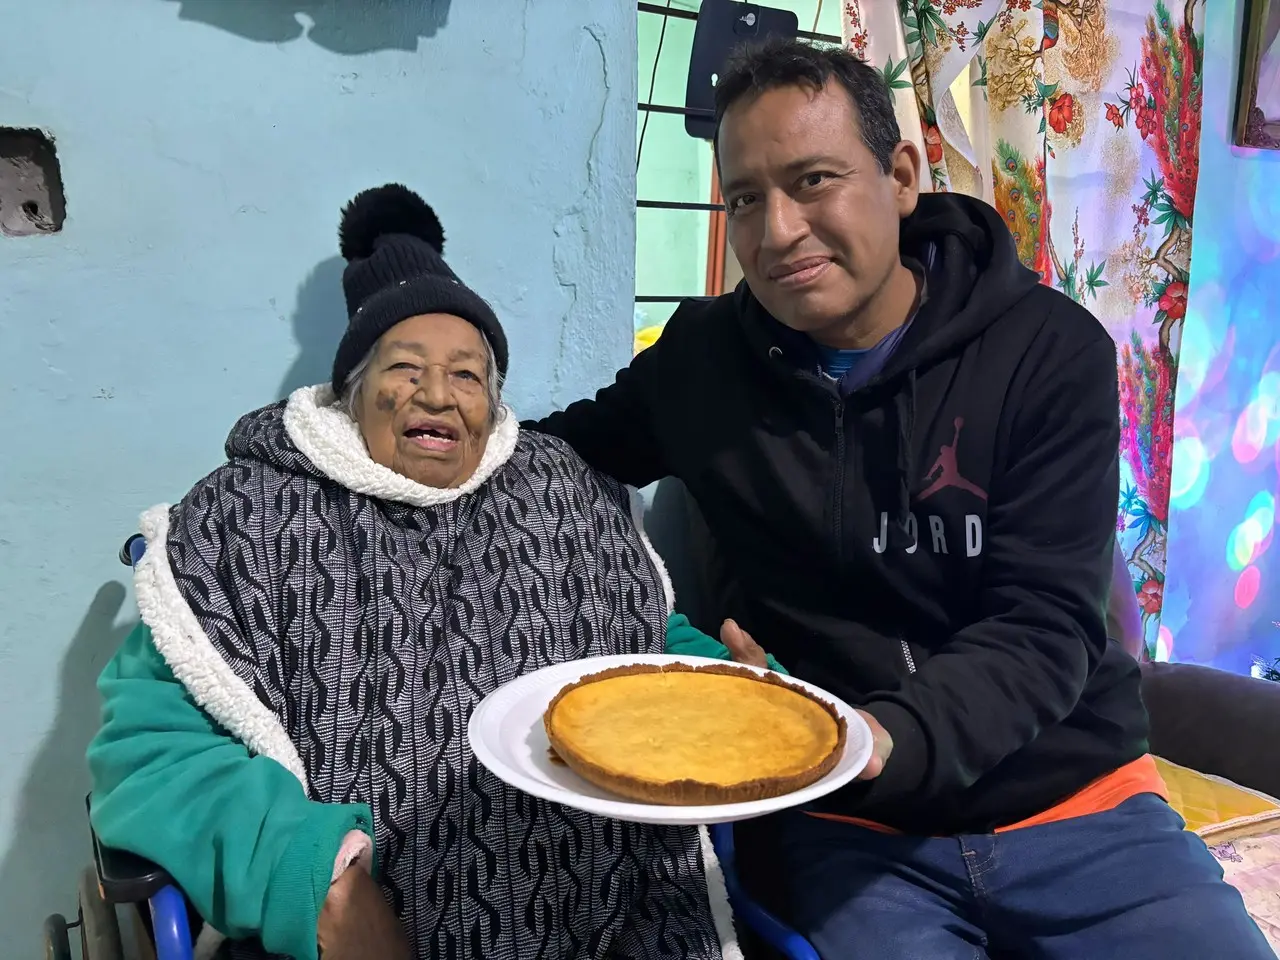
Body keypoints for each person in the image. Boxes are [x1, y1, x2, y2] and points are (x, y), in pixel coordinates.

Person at [531, 38, 1273, 960]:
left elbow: (1046, 627)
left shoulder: (1048, 353)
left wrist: (882, 736)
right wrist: (400, 399)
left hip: (1076, 800)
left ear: (904, 174)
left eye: (813, 181)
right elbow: (550, 457)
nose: (776, 232)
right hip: (843, 827)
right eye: (747, 198)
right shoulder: (701, 365)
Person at [87, 184, 765, 960]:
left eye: (469, 375)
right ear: (351, 392)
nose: (438, 394)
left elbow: (641, 635)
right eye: (405, 369)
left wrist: (735, 684)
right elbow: (150, 750)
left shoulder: (558, 490)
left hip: (612, 913)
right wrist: (322, 883)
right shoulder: (248, 517)